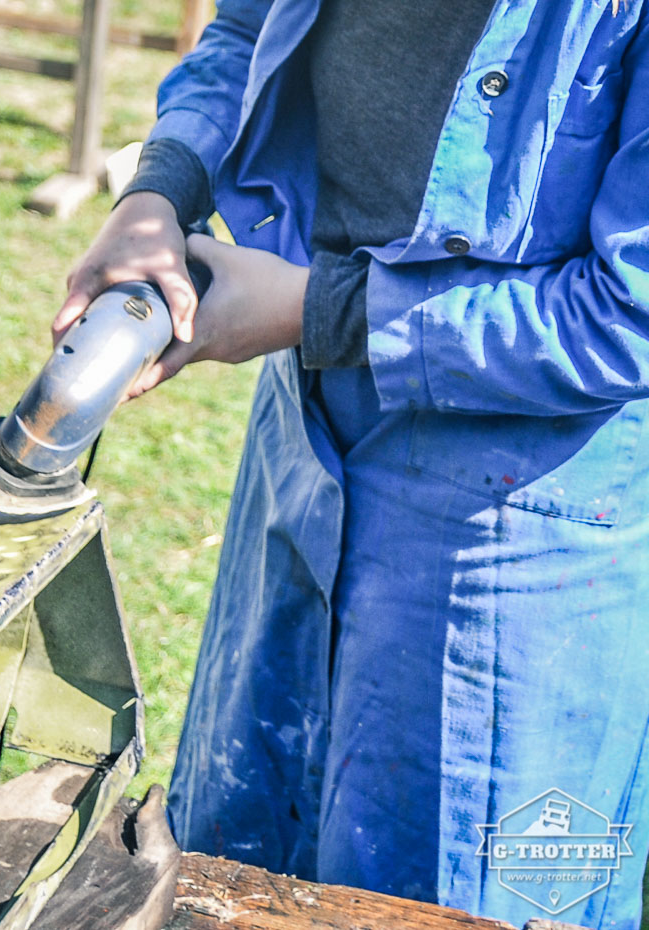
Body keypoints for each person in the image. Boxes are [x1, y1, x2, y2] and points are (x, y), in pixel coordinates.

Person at [54, 1, 649, 927]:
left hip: (518, 521)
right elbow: (249, 28)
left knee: (440, 898)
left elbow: (627, 318)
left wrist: (318, 310)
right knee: (233, 870)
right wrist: (159, 190)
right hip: (305, 432)